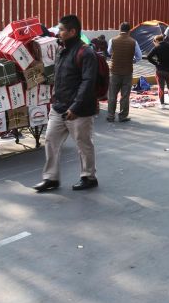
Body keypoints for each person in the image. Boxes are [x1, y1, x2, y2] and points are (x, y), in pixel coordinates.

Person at [34, 15, 99, 193]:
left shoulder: (86, 53)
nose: (58, 32)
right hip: (59, 107)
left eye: (62, 29)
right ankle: (51, 178)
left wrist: (76, 107)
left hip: (79, 110)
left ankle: (88, 176)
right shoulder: (62, 50)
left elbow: (87, 82)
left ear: (73, 31)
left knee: (83, 144)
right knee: (50, 141)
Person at [107, 22, 142, 123]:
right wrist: (132, 60)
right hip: (127, 72)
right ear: (129, 30)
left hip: (114, 71)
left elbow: (109, 52)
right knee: (125, 95)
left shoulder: (112, 40)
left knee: (112, 94)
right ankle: (122, 116)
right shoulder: (133, 42)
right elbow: (139, 56)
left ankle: (110, 116)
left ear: (119, 29)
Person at [147, 34, 169, 108]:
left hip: (159, 70)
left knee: (161, 87)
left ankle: (162, 104)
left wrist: (156, 63)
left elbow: (148, 57)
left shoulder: (157, 47)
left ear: (156, 40)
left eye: (154, 41)